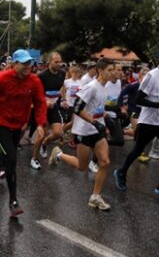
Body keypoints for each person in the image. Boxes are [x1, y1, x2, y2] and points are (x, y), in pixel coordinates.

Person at [0, 49, 47, 217]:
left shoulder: (34, 81)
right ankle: (13, 201)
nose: (28, 66)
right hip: (0, 123)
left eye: (29, 63)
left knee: (9, 156)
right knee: (11, 159)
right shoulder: (0, 79)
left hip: (19, 124)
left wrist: (41, 123)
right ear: (14, 64)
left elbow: (40, 101)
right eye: (23, 63)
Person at [113, 47, 159, 198]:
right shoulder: (151, 76)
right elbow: (139, 100)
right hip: (148, 121)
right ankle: (121, 172)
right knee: (138, 149)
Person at [49, 58, 115, 211]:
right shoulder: (91, 87)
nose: (112, 73)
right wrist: (94, 122)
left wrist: (106, 118)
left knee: (105, 162)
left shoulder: (106, 87)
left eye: (114, 70)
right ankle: (58, 154)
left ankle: (95, 197)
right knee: (81, 166)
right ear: (100, 70)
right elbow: (77, 108)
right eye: (110, 70)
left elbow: (97, 107)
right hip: (84, 131)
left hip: (97, 130)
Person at [31, 52, 66, 170]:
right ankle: (34, 159)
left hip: (54, 106)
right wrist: (45, 102)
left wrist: (63, 99)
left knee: (58, 133)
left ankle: (45, 144)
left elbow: (62, 88)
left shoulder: (62, 73)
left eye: (60, 61)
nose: (59, 64)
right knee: (42, 134)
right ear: (49, 62)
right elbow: (36, 93)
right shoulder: (42, 75)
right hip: (42, 107)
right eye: (56, 62)